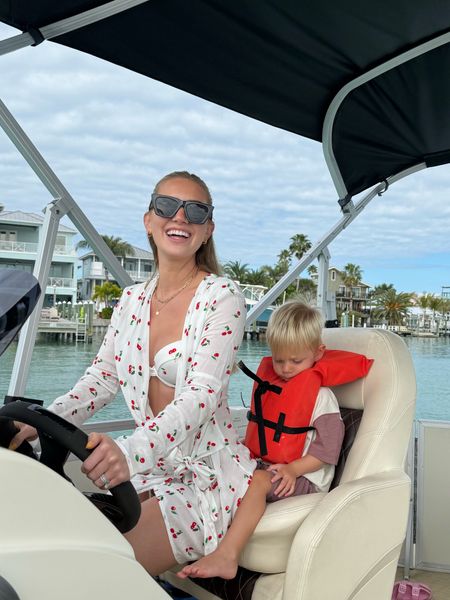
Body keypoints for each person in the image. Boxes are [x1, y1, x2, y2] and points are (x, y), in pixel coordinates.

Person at [9, 171, 256, 576]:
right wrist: (41, 422)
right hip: (149, 472)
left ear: (207, 229)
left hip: (206, 479)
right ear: (148, 219)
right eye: (166, 206)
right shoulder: (130, 300)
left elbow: (203, 395)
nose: (179, 217)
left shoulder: (223, 297)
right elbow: (101, 379)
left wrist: (127, 451)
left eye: (195, 210)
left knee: (94, 576)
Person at [178, 300, 347, 580]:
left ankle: (227, 556)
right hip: (270, 466)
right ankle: (193, 537)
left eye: (296, 361)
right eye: (279, 360)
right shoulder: (274, 387)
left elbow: (329, 450)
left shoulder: (322, 397)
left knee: (256, 481)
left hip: (305, 477)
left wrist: (293, 469)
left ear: (318, 353)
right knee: (217, 463)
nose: (286, 369)